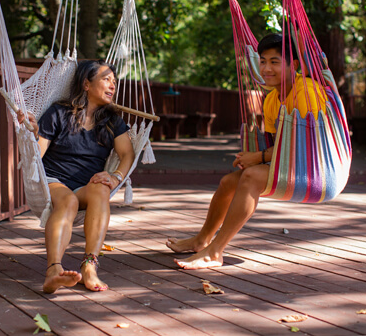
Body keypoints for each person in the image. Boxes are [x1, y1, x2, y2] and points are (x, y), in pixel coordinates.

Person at [166, 33, 327, 269]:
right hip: (291, 165)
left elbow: (306, 147)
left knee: (251, 177)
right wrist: (254, 158)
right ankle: (202, 240)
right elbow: (279, 144)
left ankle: (215, 252)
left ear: (293, 65)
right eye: (263, 61)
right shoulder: (272, 100)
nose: (266, 68)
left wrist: (259, 158)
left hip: (315, 171)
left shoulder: (307, 92)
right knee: (228, 182)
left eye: (275, 61)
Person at [18, 60, 135, 293]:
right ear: (86, 84)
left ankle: (89, 266)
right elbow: (37, 155)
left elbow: (127, 153)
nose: (113, 84)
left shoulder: (112, 120)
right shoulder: (58, 112)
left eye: (114, 81)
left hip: (86, 184)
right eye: (106, 78)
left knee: (102, 188)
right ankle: (53, 271)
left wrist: (116, 177)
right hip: (53, 181)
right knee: (68, 201)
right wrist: (31, 134)